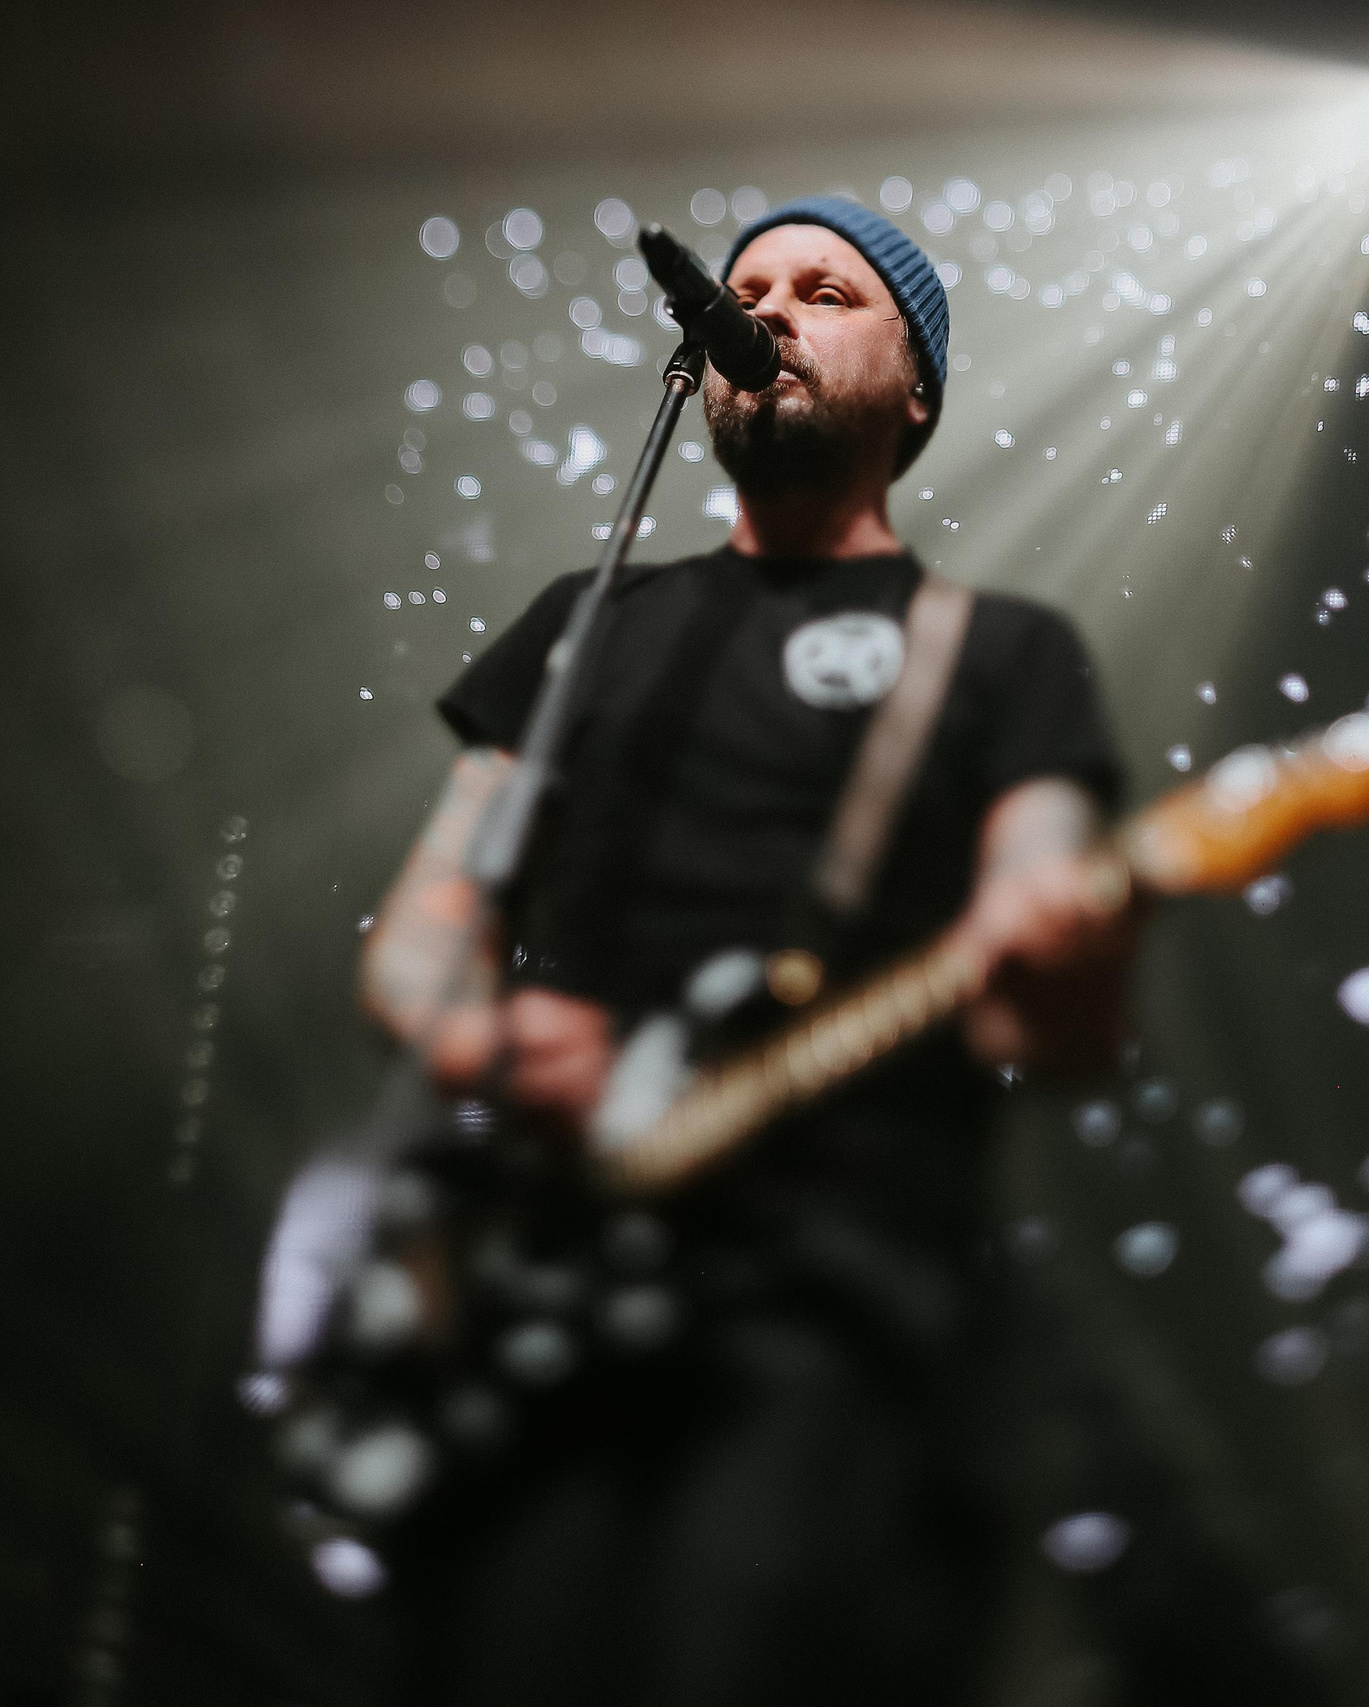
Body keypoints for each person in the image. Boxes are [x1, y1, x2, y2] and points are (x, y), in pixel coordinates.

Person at [352, 196, 1147, 1707]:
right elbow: (423, 941)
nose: (769, 310)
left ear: (917, 385)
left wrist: (1071, 954)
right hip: (550, 1303)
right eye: (749, 290)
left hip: (834, 1317)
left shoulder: (1001, 656)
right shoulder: (585, 626)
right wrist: (484, 1042)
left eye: (827, 291)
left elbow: (1054, 1029)